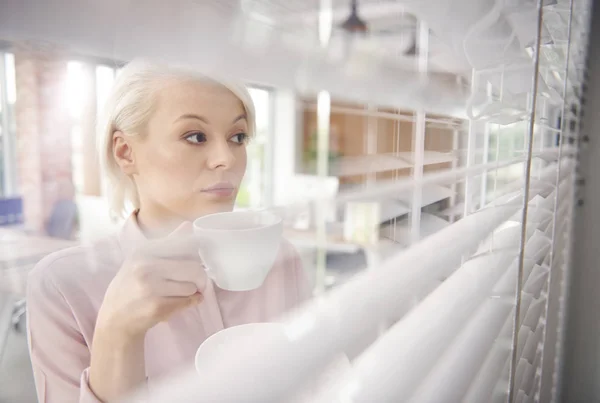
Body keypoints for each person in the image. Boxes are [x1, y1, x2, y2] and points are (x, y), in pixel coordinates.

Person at [26, 60, 310, 403]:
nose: (226, 158)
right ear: (125, 152)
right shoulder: (63, 286)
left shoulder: (281, 259)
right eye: (195, 136)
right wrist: (117, 334)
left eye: (237, 137)